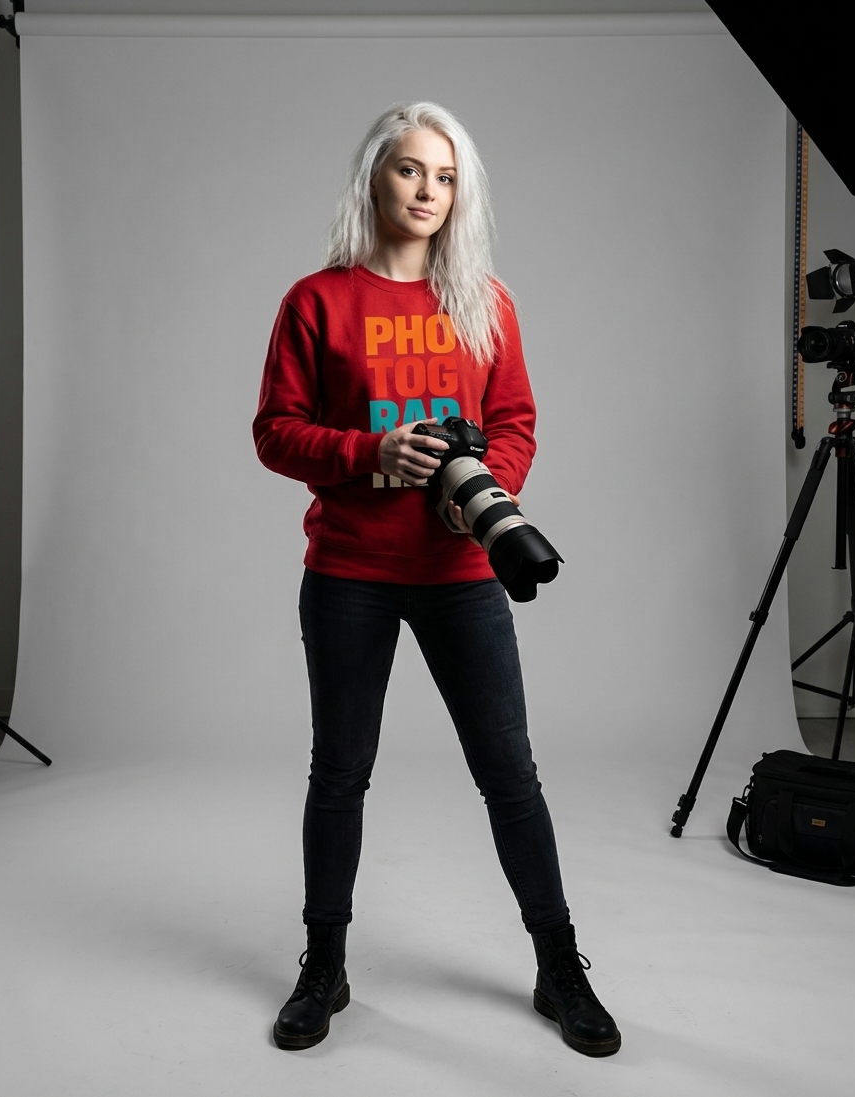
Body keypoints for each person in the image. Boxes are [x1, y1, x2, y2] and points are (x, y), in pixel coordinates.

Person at [253, 102, 620, 1057]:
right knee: (340, 771)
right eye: (412, 169)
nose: (428, 190)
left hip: (462, 569)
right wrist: (370, 450)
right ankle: (324, 965)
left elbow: (515, 421)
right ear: (375, 176)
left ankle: (560, 965)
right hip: (350, 569)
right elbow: (275, 432)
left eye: (446, 176)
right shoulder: (316, 301)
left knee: (509, 773)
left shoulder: (485, 300)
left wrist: (486, 491)